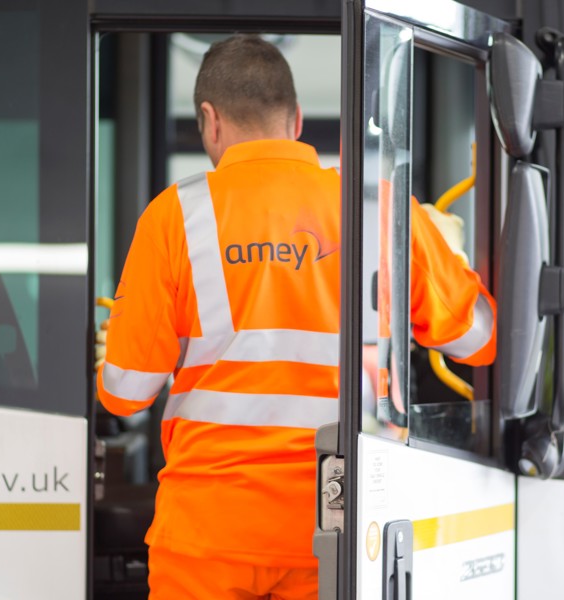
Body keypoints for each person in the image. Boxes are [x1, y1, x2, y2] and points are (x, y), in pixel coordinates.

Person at [95, 35, 496, 599]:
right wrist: (448, 256)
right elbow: (478, 340)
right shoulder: (381, 210)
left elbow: (125, 392)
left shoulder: (174, 216)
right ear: (298, 120)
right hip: (341, 527)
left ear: (209, 120)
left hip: (210, 536)